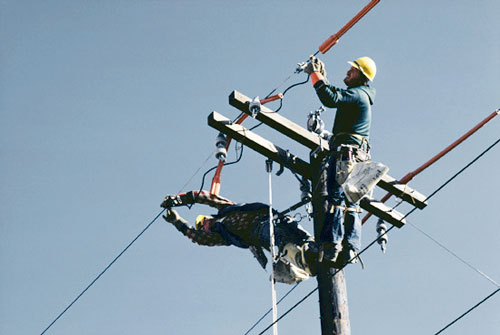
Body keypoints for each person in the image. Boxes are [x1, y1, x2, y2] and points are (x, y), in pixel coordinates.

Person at [304, 56, 377, 264]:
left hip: (348, 155)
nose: (347, 73)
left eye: (352, 71)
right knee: (352, 201)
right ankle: (350, 247)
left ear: (361, 75)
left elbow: (331, 99)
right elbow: (336, 94)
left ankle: (332, 245)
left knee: (337, 200)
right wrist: (322, 78)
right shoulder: (360, 95)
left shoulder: (359, 95)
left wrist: (314, 75)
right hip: (357, 155)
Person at [161, 190, 321, 284]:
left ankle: (313, 248)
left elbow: (205, 197)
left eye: (202, 221)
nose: (204, 225)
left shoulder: (226, 210)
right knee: (278, 237)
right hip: (259, 231)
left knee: (291, 227)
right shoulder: (221, 235)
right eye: (201, 227)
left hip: (269, 216)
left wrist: (179, 199)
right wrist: (177, 221)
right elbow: (198, 238)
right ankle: (300, 260)